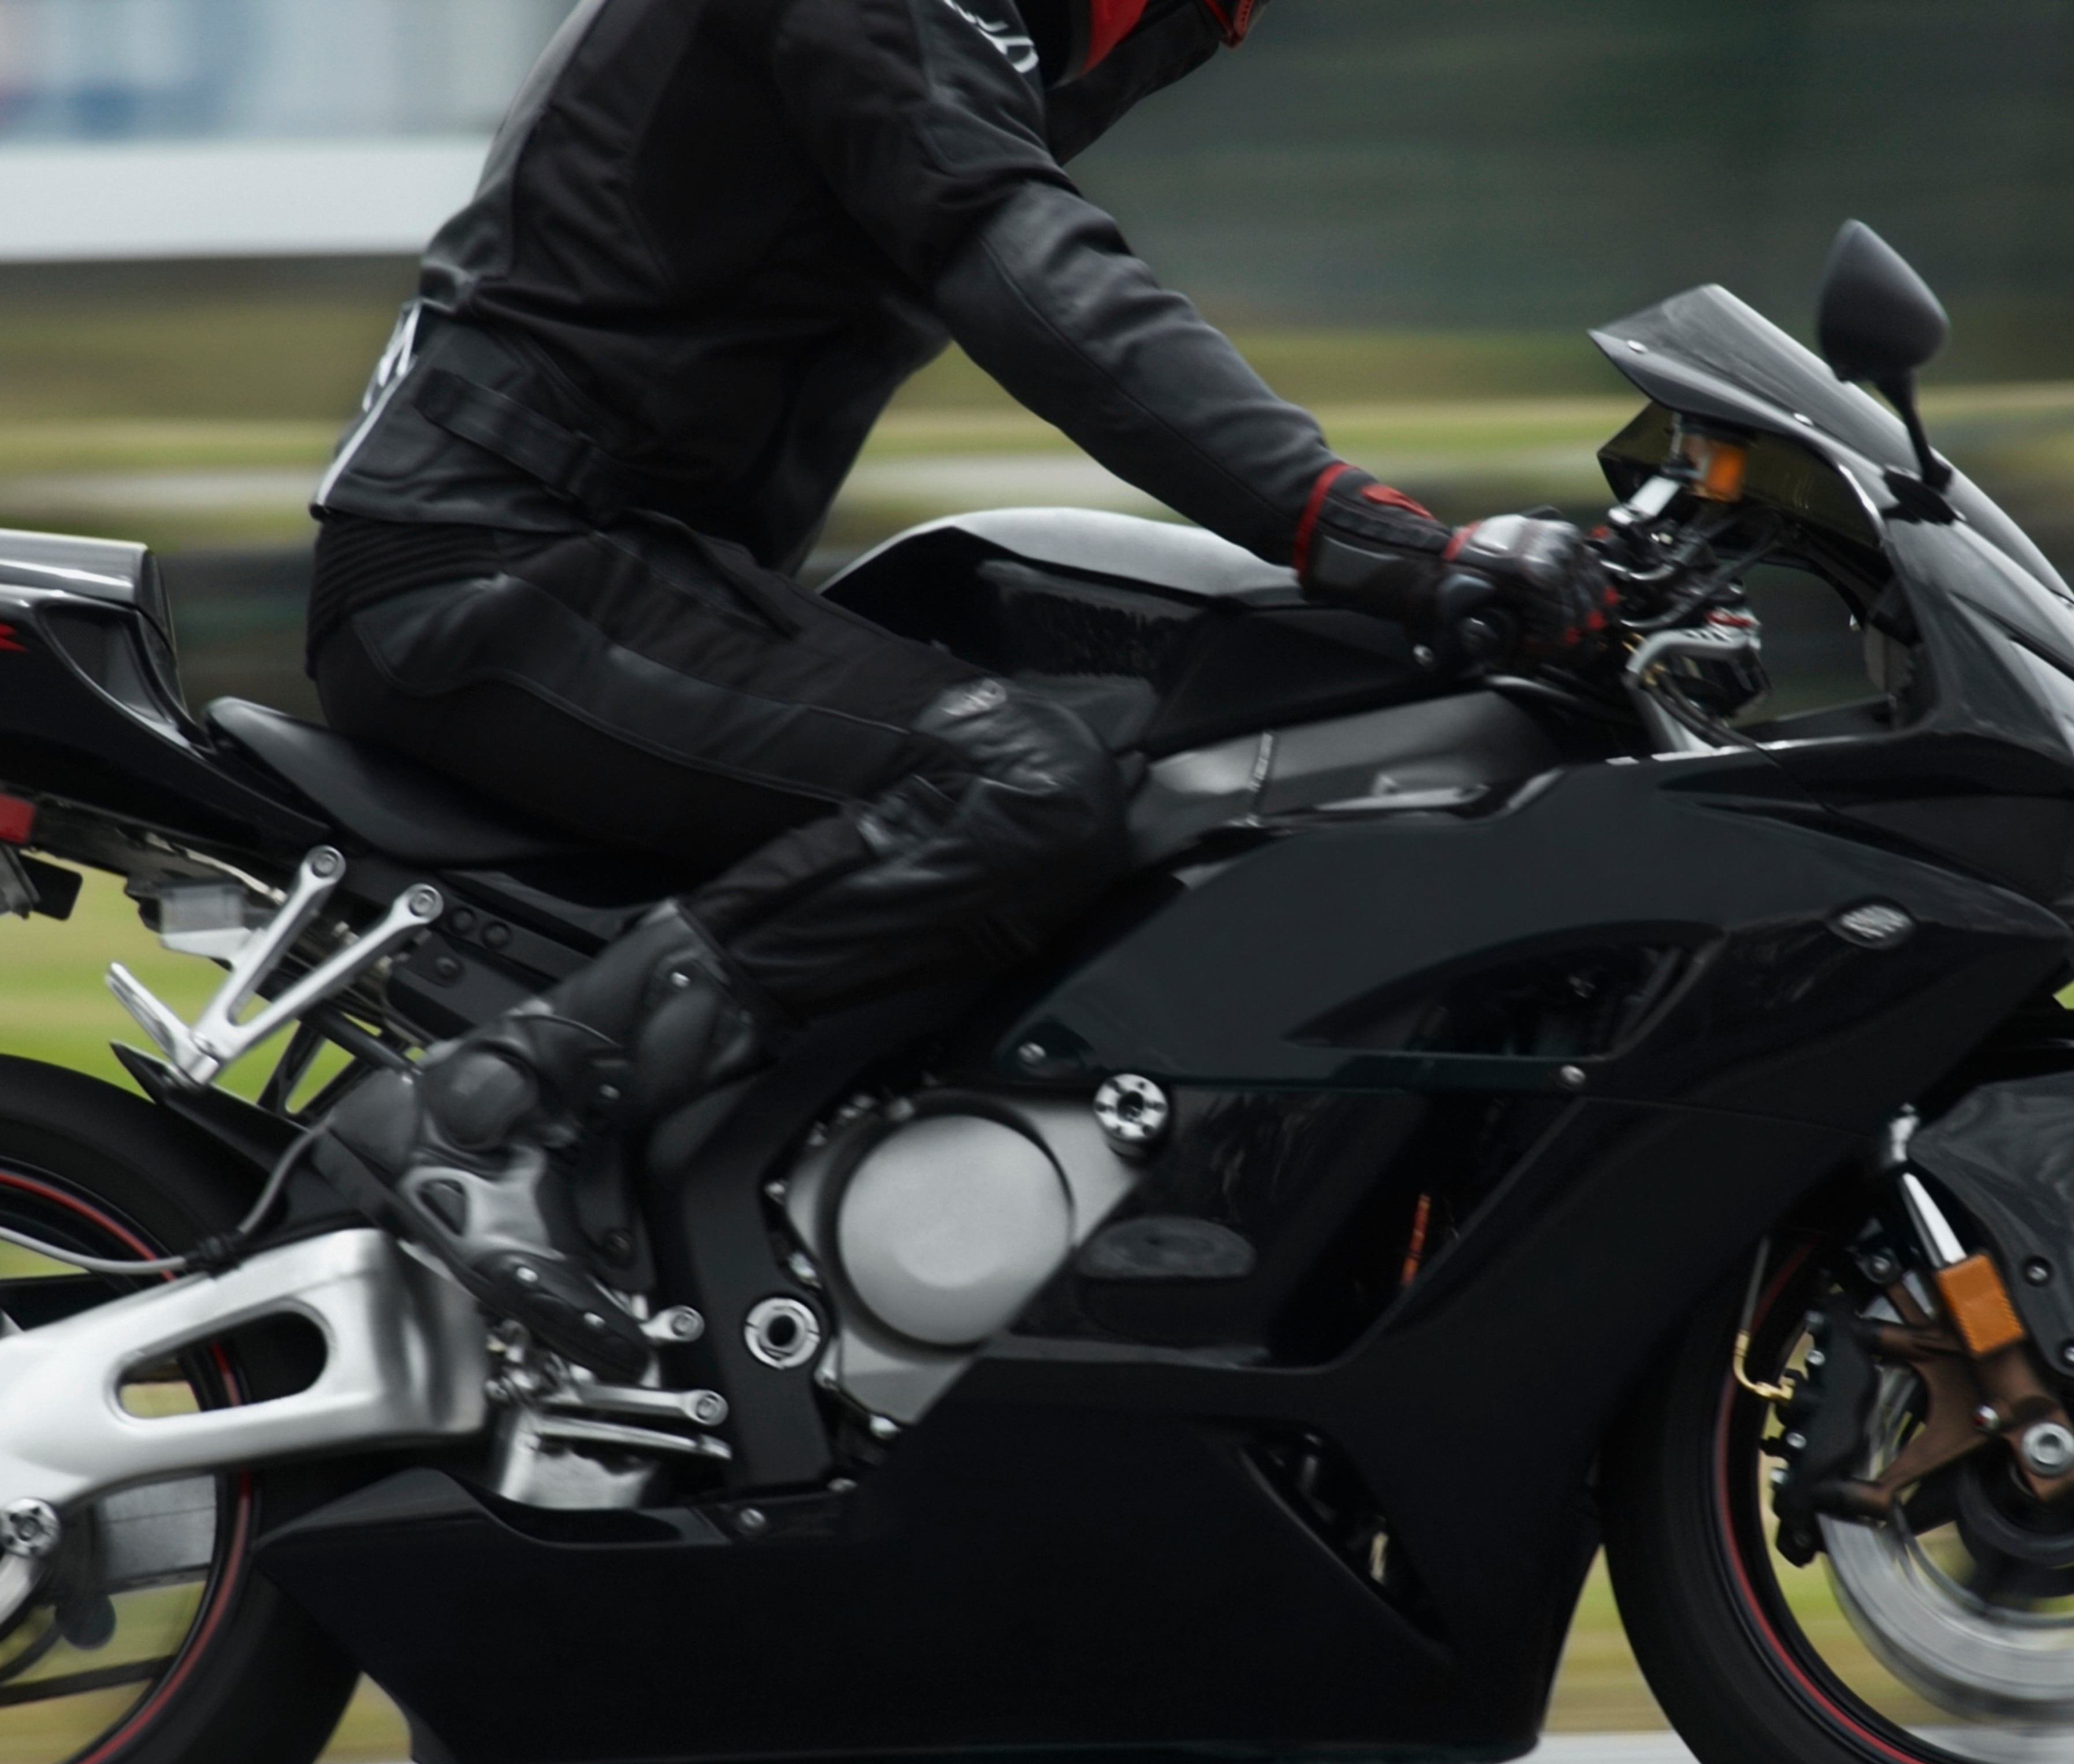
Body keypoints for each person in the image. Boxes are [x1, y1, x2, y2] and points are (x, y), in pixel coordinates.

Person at [302, 0, 1613, 1382]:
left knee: (1135, 736)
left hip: (615, 562)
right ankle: (488, 1115)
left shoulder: (1073, 27)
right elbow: (1021, 256)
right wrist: (1361, 528)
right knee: (1017, 779)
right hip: (500, 562)